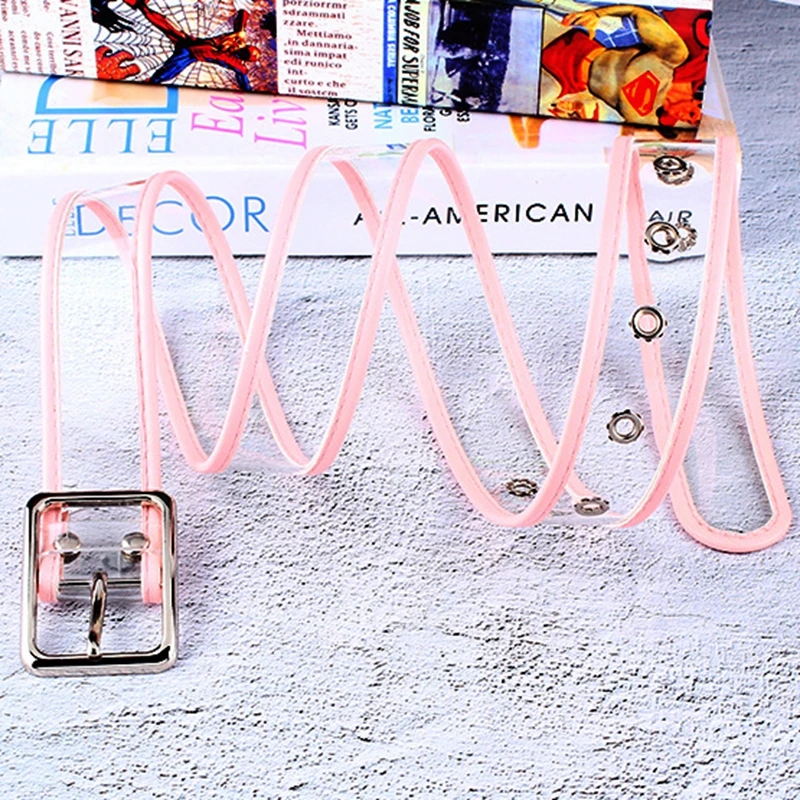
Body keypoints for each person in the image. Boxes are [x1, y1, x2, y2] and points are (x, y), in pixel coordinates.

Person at [540, 4, 697, 125]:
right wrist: (596, 14)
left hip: (562, 82)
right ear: (698, 102)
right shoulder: (672, 57)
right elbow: (638, 13)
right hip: (572, 43)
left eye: (690, 122)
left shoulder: (647, 120)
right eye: (692, 115)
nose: (685, 119)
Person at [122, 0, 260, 90]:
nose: (241, 51)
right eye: (246, 51)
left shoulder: (237, 62)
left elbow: (243, 80)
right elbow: (242, 14)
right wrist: (241, 28)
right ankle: (139, 4)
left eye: (246, 54)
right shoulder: (237, 40)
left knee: (164, 72)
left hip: (191, 49)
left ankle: (140, 5)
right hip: (191, 47)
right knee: (165, 26)